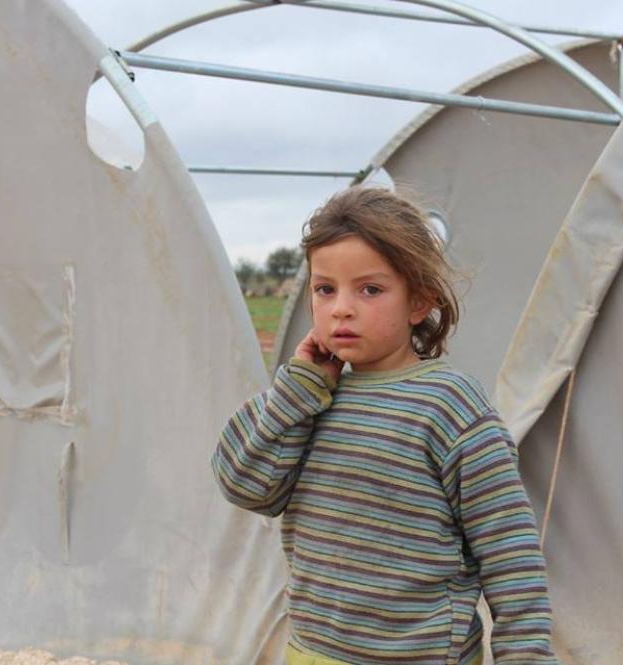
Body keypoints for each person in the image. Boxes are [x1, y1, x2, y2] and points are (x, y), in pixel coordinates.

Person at [212, 186, 558, 665]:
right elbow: (246, 486)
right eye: (325, 289)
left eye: (370, 290)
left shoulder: (450, 406)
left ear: (418, 301)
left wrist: (526, 656)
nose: (341, 308)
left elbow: (509, 551)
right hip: (312, 653)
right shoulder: (307, 399)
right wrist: (298, 389)